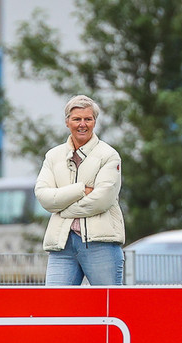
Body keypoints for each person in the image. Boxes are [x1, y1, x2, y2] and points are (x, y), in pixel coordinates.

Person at [35, 95, 125, 285]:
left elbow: (102, 200)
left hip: (101, 245)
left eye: (88, 119)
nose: (82, 124)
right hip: (62, 245)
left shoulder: (109, 155)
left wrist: (62, 209)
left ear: (94, 122)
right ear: (67, 122)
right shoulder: (53, 156)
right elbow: (43, 196)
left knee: (107, 302)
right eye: (77, 119)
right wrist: (80, 190)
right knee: (54, 303)